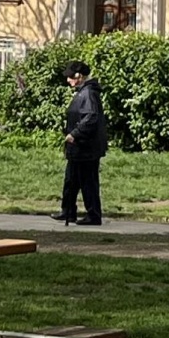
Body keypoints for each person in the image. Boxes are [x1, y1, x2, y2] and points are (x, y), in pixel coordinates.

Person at [53, 60, 106, 226]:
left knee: (87, 182)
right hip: (79, 148)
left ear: (79, 76)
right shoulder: (83, 92)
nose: (68, 80)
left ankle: (93, 215)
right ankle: (68, 211)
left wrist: (74, 134)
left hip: (85, 148)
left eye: (70, 77)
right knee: (71, 180)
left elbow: (91, 117)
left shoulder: (88, 93)